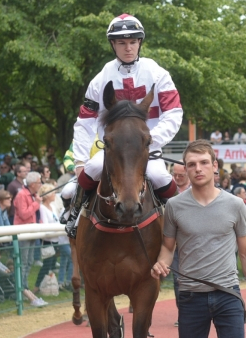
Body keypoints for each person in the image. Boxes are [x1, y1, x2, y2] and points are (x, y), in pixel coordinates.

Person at [65, 14, 183, 237]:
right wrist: (80, 160)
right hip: (113, 150)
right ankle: (74, 217)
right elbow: (85, 123)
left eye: (133, 42)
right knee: (92, 168)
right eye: (121, 43)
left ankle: (182, 223)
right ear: (113, 44)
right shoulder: (100, 79)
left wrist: (150, 140)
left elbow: (174, 113)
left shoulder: (158, 74)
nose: (128, 48)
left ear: (140, 43)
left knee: (159, 176)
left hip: (147, 147)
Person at [151, 140, 246, 338]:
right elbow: (168, 247)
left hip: (228, 293)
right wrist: (161, 263)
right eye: (192, 164)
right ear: (186, 169)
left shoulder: (235, 205)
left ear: (215, 166)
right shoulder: (173, 206)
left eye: (204, 162)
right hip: (190, 296)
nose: (198, 169)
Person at [13, 172, 42, 290]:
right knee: (23, 263)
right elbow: (24, 214)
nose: (41, 184)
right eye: (39, 182)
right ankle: (20, 289)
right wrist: (37, 204)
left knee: (29, 262)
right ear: (33, 184)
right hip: (23, 233)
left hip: (32, 232)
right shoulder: (22, 195)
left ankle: (24, 287)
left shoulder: (32, 195)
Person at [33, 184, 60, 295]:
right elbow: (45, 225)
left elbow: (56, 221)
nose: (55, 194)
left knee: (51, 265)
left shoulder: (52, 207)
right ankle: (36, 287)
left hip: (56, 239)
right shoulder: (42, 208)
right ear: (47, 195)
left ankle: (44, 287)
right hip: (48, 241)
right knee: (47, 265)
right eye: (53, 193)